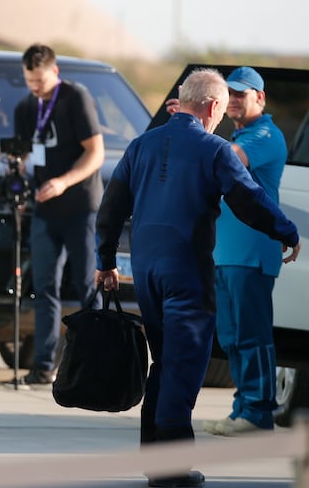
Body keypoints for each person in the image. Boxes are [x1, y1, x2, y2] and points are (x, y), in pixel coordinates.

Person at [95, 68, 300, 488]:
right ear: (210, 106)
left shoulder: (141, 144)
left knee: (165, 362)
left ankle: (155, 458)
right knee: (185, 366)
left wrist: (105, 261)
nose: (221, 120)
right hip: (186, 270)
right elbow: (248, 200)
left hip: (147, 271)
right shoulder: (214, 149)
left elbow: (111, 206)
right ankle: (172, 469)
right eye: (221, 112)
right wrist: (287, 231)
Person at [168, 67, 288, 437]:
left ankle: (258, 412)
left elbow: (226, 160)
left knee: (252, 334)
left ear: (260, 98)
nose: (235, 100)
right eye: (230, 95)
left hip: (251, 254)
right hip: (227, 253)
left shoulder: (265, 135)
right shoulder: (236, 134)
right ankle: (244, 409)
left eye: (242, 94)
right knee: (233, 335)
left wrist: (193, 127)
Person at [12, 43, 105, 385]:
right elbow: (22, 156)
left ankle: (95, 364)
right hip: (44, 209)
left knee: (86, 286)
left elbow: (95, 153)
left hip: (80, 206)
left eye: (39, 80)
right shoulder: (24, 107)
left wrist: (63, 182)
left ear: (54, 72)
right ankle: (42, 365)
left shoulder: (74, 98)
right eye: (29, 81)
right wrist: (17, 170)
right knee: (44, 286)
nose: (35, 87)